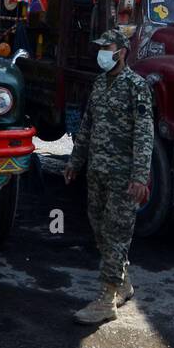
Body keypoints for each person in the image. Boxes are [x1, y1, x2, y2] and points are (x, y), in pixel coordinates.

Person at [64, 28, 153, 325]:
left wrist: (140, 176)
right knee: (99, 229)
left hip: (123, 176)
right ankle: (123, 282)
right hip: (97, 171)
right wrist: (75, 161)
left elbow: (144, 134)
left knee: (116, 234)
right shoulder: (100, 84)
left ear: (122, 51)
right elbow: (87, 125)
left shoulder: (136, 87)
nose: (102, 51)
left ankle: (106, 299)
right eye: (100, 46)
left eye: (108, 46)